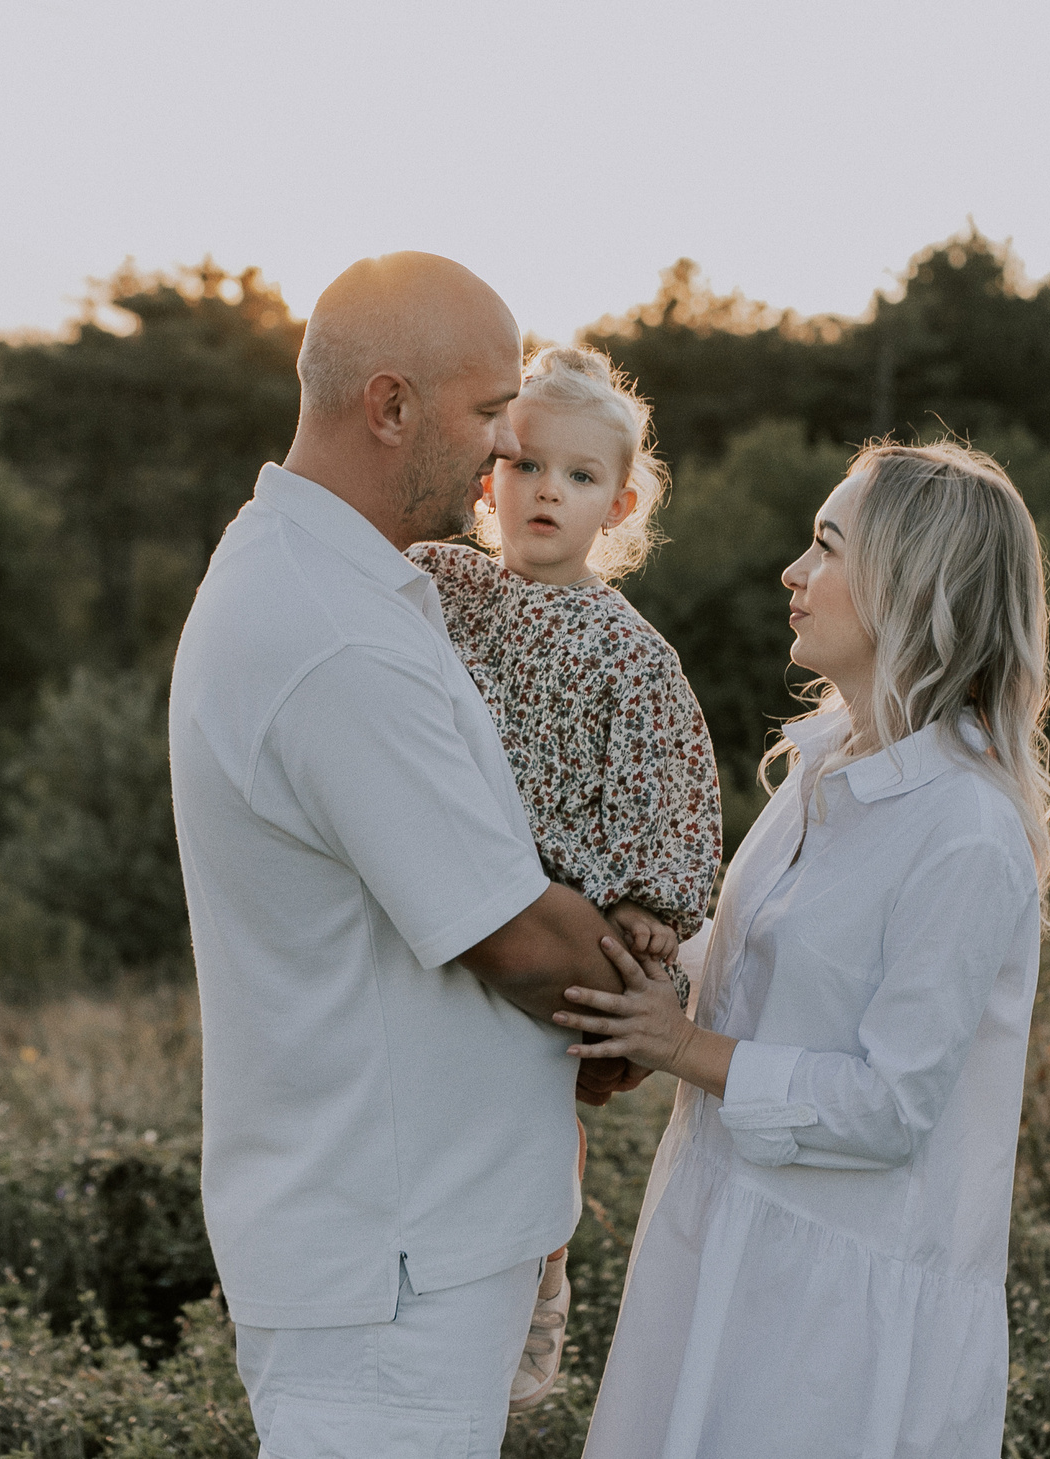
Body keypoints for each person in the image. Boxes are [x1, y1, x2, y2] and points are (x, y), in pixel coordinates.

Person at [168, 252, 643, 1459]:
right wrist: (655, 1010)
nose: (506, 449)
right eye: (489, 412)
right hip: (387, 1265)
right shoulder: (331, 636)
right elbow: (519, 937)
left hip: (410, 1242)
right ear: (388, 406)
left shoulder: (342, 584)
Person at [564, 441, 1050, 1459]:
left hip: (837, 1323)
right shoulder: (822, 762)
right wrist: (652, 950)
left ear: (908, 585)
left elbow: (889, 1107)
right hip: (717, 1243)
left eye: (826, 547)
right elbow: (759, 975)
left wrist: (676, 1047)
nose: (793, 573)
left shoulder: (965, 828)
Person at [405, 343, 723, 1411]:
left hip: (559, 914)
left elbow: (668, 802)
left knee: (534, 1114)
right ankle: (425, 1277)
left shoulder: (628, 653)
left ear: (619, 502)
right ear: (489, 475)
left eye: (581, 478)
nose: (548, 491)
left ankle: (538, 1272)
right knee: (437, 1100)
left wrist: (643, 913)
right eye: (527, 465)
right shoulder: (445, 588)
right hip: (449, 899)